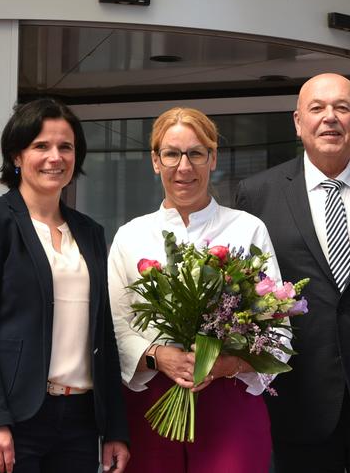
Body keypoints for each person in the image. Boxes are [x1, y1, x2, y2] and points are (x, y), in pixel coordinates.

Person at [235, 73, 350, 473]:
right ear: (298, 122)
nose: (330, 118)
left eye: (342, 108)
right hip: (297, 404)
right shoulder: (257, 194)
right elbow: (245, 298)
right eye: (317, 108)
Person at [0, 99, 130, 473]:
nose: (55, 157)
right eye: (41, 146)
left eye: (66, 147)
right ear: (17, 155)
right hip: (6, 419)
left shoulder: (90, 232)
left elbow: (103, 336)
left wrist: (115, 429)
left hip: (78, 422)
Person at [107, 107, 283, 473]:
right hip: (152, 402)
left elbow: (277, 324)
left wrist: (226, 364)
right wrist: (158, 356)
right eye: (171, 154)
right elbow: (114, 325)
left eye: (196, 153)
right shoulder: (130, 235)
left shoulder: (248, 230)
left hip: (230, 399)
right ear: (155, 161)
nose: (183, 167)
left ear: (212, 158)